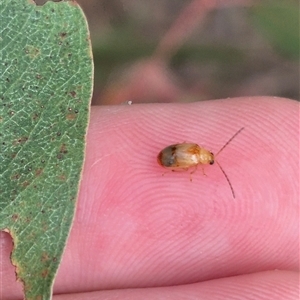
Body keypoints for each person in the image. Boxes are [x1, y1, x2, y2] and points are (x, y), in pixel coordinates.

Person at [2, 96, 298, 299]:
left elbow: (180, 151)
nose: (210, 161)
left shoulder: (197, 151)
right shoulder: (196, 160)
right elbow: (175, 158)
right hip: (168, 158)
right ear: (205, 157)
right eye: (210, 161)